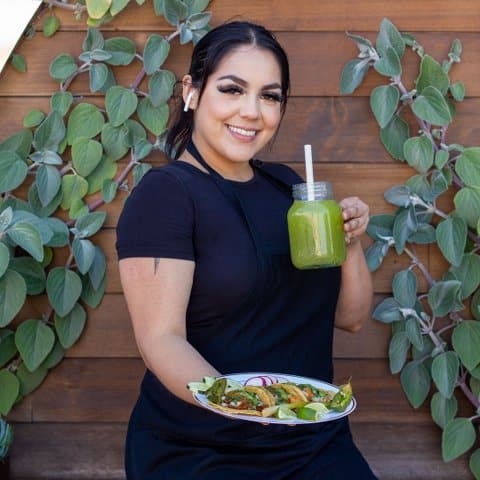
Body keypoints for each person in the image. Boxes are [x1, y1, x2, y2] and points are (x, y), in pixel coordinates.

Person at [116, 20, 376, 479]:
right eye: (233, 89)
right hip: (203, 448)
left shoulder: (292, 189)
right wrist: (249, 405)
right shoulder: (167, 196)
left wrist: (350, 241)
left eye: (270, 96)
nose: (252, 111)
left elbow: (350, 317)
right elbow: (161, 338)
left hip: (310, 440)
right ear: (192, 92)